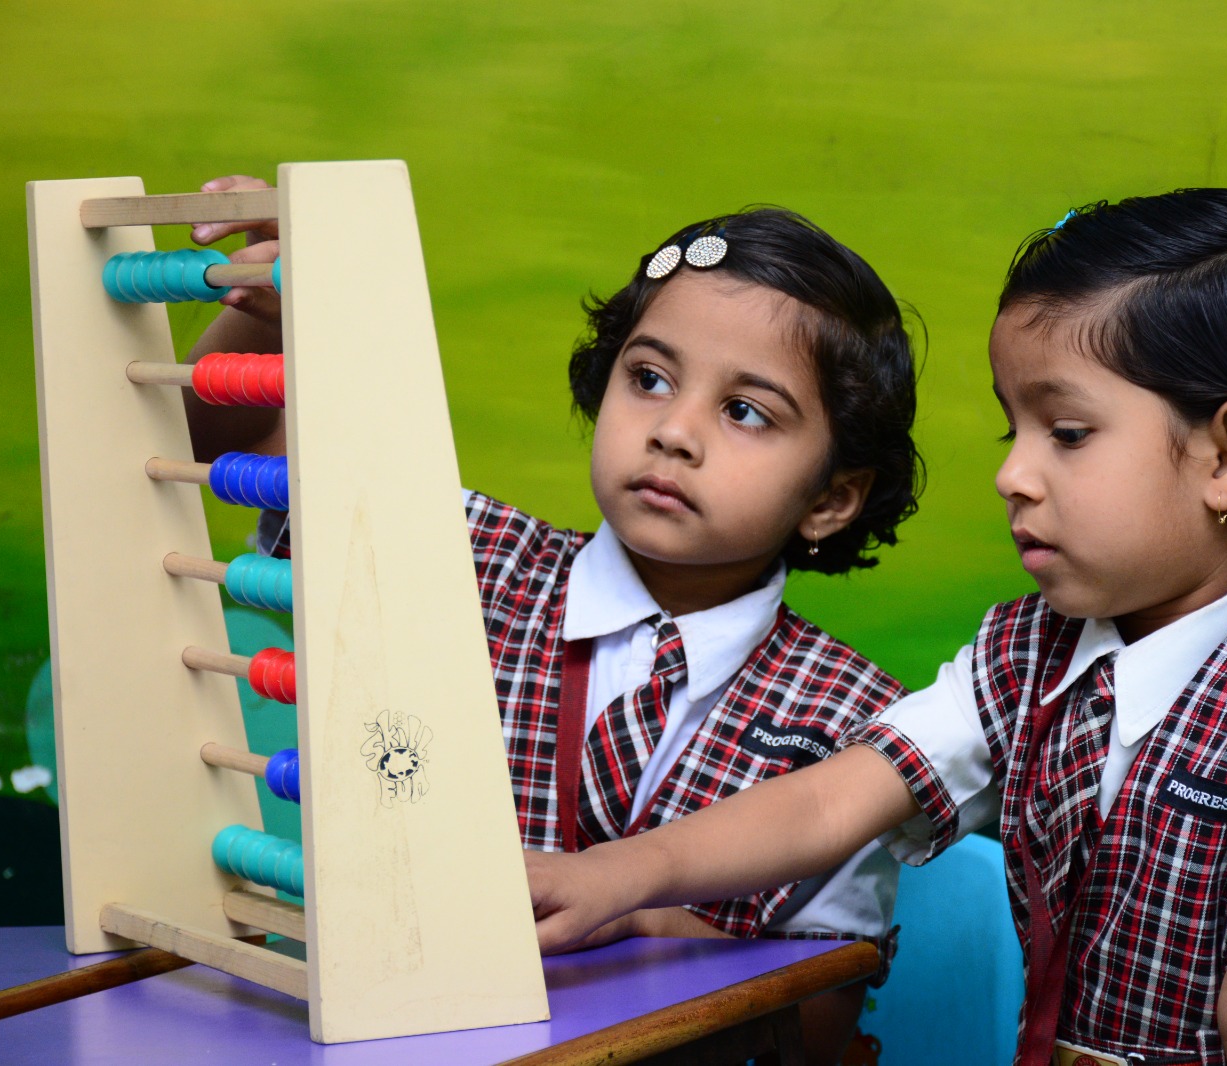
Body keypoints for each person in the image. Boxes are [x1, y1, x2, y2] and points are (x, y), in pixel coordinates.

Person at [525, 188, 1227, 1066]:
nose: (1014, 474)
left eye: (1068, 433)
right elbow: (828, 801)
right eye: (1014, 429)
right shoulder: (1024, 654)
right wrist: (621, 877)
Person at [182, 178, 925, 1065]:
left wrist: (647, 916)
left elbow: (818, 1019)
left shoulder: (860, 727)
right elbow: (227, 447)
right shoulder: (463, 555)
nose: (675, 431)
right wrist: (272, 317)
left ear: (834, 498)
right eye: (649, 378)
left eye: (744, 411)